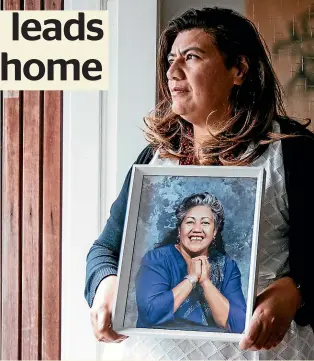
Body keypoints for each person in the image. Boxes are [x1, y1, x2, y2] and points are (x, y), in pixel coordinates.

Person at [85, 6, 314, 359]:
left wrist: (295, 291)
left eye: (191, 57)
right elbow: (106, 251)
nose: (172, 71)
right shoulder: (155, 158)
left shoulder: (290, 153)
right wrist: (105, 285)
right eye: (171, 60)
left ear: (238, 69)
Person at [135, 192, 246, 333]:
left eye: (205, 223)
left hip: (212, 349)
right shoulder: (157, 259)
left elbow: (239, 326)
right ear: (180, 230)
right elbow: (150, 315)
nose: (197, 229)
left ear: (215, 231)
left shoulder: (227, 266)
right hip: (162, 347)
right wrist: (191, 279)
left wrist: (206, 282)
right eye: (190, 222)